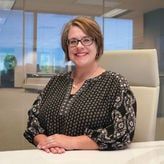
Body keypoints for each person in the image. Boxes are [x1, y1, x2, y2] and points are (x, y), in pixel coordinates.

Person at [24, 16, 137, 154]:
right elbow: (34, 120)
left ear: (98, 44)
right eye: (73, 41)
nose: (79, 46)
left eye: (86, 40)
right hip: (49, 157)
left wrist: (71, 142)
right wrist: (45, 142)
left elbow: (122, 133)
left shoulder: (116, 83)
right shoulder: (55, 82)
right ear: (67, 48)